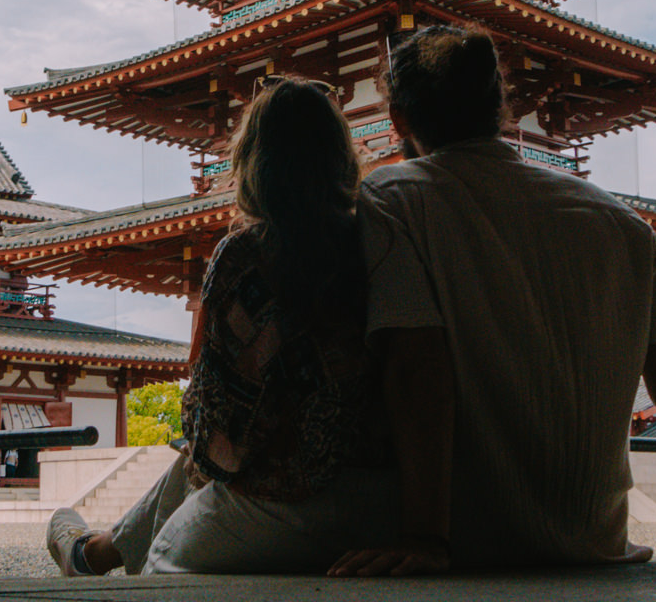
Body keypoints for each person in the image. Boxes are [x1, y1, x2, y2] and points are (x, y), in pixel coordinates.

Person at [330, 24, 656, 577]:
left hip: (470, 534)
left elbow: (416, 366)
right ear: (502, 110)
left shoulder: (393, 199)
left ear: (400, 121)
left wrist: (424, 538)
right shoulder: (624, 227)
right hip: (592, 538)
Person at [46, 75, 395, 576]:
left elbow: (222, 422)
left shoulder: (248, 255)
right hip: (383, 496)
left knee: (165, 555)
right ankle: (91, 553)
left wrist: (204, 458)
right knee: (192, 468)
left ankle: (94, 555)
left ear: (255, 162)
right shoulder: (380, 236)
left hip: (285, 502)